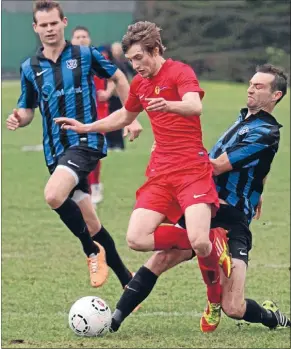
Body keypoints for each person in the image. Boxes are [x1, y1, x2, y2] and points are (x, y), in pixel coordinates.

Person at [54, 20, 232, 327]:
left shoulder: (180, 72)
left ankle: (214, 297)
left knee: (203, 243)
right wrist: (88, 127)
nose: (136, 66)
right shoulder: (140, 83)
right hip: (161, 172)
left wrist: (170, 105)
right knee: (136, 238)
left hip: (192, 169)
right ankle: (194, 239)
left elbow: (194, 106)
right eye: (131, 60)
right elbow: (125, 114)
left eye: (139, 58)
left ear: (155, 50)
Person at [106, 64, 291, 333]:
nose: (250, 88)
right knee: (160, 258)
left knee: (233, 307)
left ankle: (272, 315)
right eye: (250, 83)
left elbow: (215, 166)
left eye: (259, 86)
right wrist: (259, 190)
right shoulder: (243, 120)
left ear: (276, 95)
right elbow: (262, 165)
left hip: (232, 219)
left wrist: (173, 153)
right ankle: (114, 320)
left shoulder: (266, 132)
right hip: (205, 205)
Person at [6, 0, 142, 290]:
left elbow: (118, 77)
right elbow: (28, 109)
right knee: (90, 222)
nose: (49, 29)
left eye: (54, 23)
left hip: (86, 141)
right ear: (35, 28)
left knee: (54, 195)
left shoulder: (84, 54)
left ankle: (91, 252)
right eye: (43, 25)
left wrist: (130, 118)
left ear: (64, 23)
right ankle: (127, 281)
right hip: (55, 150)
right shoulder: (30, 67)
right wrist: (20, 117)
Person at [71, 26, 115, 205]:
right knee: (75, 149)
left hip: (99, 111)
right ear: (72, 40)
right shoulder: (67, 60)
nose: (81, 39)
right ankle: (80, 187)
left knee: (93, 149)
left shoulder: (98, 57)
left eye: (84, 36)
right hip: (76, 111)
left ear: (89, 39)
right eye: (77, 37)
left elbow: (114, 78)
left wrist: (108, 92)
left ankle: (95, 185)